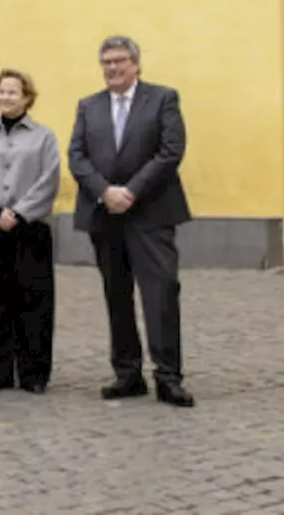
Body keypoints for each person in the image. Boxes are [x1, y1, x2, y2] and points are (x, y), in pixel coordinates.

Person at [67, 35, 194, 408]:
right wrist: (105, 191)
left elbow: (170, 151)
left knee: (161, 294)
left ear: (136, 64)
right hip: (104, 215)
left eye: (120, 61)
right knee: (117, 295)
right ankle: (127, 373)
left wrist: (132, 191)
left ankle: (168, 377)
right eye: (106, 62)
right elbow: (77, 156)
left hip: (151, 213)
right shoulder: (88, 106)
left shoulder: (163, 99)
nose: (113, 68)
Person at [0, 68, 61, 394]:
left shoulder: (43, 137)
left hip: (30, 229)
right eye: (1, 91)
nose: (5, 97)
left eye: (12, 92)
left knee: (34, 301)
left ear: (27, 97)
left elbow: (49, 179)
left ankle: (33, 374)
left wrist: (19, 213)